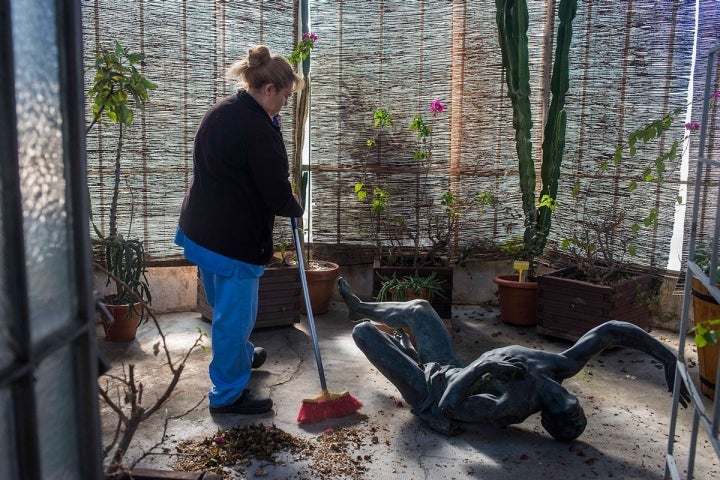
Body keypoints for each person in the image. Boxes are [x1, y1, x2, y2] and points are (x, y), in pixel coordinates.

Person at [337, 277, 690, 441]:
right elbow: (611, 330)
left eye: (568, 418)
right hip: (451, 366)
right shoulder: (561, 367)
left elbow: (447, 404)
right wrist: (667, 358)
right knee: (420, 308)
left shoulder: (511, 404)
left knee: (365, 334)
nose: (573, 409)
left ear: (548, 419)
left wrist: (487, 366)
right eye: (578, 412)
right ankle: (360, 307)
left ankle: (371, 326)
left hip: (427, 393)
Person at [175, 45, 304, 415]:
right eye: (284, 96)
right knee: (235, 317)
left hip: (203, 229)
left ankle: (242, 356)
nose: (284, 103)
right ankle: (228, 395)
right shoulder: (257, 128)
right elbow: (277, 192)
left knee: (223, 306)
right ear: (268, 90)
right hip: (232, 241)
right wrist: (294, 207)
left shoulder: (223, 111)